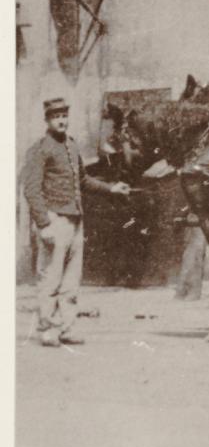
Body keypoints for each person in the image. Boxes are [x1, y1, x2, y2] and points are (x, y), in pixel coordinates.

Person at [20, 98, 130, 346]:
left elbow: (83, 181)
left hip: (75, 220)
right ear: (47, 120)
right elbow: (31, 190)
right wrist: (43, 223)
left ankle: (67, 328)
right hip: (54, 221)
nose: (61, 120)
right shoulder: (40, 149)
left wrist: (112, 188)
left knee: (71, 280)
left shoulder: (71, 146)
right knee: (50, 278)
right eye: (56, 116)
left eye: (64, 115)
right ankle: (48, 328)